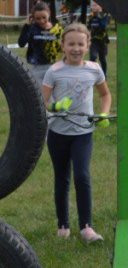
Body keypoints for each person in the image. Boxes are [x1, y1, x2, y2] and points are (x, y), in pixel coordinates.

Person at [42, 23, 111, 243]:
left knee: (82, 175)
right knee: (62, 178)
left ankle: (86, 228)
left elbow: (105, 95)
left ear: (88, 44)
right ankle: (63, 226)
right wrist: (55, 107)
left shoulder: (94, 69)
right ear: (62, 45)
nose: (76, 48)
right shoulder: (54, 71)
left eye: (81, 44)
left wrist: (104, 114)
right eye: (71, 44)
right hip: (58, 134)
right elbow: (42, 101)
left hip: (83, 133)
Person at [18, 0, 63, 83]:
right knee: (38, 94)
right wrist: (27, 25)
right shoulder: (31, 29)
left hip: (53, 67)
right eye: (38, 18)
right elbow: (21, 44)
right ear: (33, 17)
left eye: (44, 17)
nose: (41, 21)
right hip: (36, 68)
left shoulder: (57, 29)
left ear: (49, 14)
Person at [87, 0, 111, 75]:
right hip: (94, 40)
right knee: (92, 57)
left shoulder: (104, 15)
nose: (94, 7)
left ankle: (104, 75)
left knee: (102, 59)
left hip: (102, 40)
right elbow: (89, 26)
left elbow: (103, 25)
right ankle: (92, 74)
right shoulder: (91, 15)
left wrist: (97, 16)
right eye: (93, 5)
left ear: (101, 6)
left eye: (96, 5)